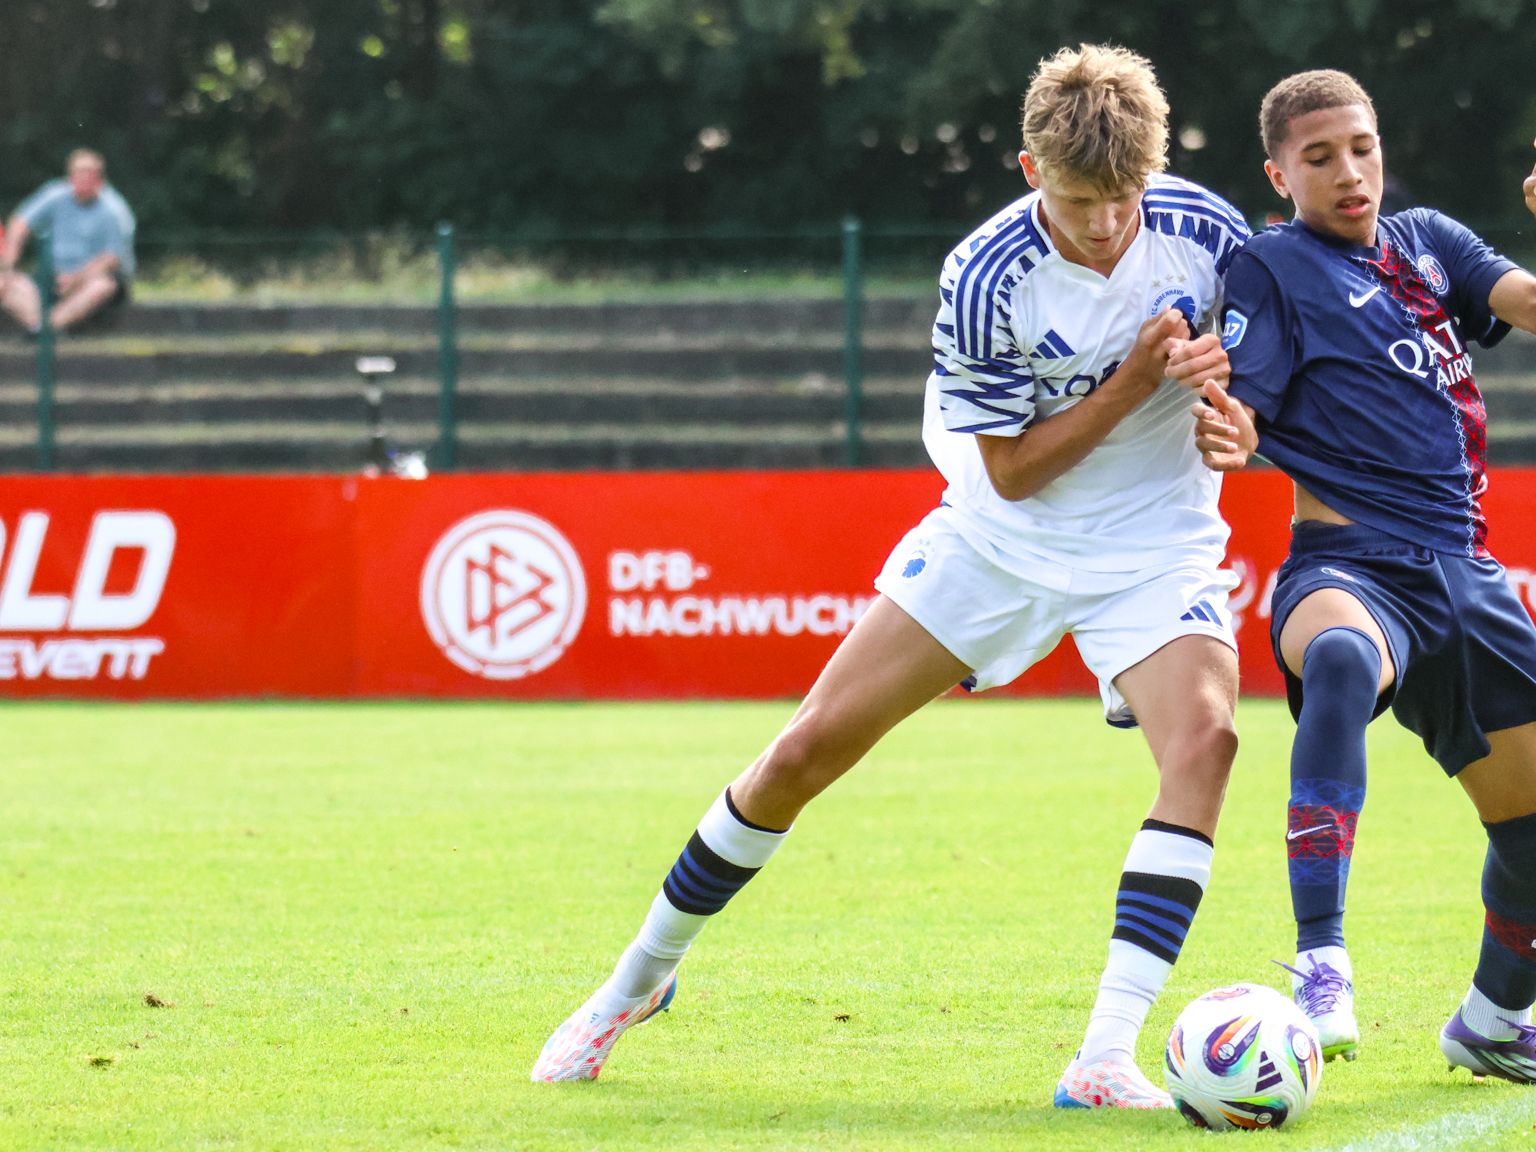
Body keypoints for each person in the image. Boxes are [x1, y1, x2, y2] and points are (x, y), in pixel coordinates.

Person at [532, 44, 1252, 1109]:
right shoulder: (984, 276)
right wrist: (1136, 377)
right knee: (800, 752)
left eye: (1124, 198)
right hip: (1003, 537)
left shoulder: (1210, 232)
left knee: (1209, 742)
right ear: (1028, 171)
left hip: (1154, 546)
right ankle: (635, 984)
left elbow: (1258, 371)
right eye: (1080, 199)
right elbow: (1011, 474)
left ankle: (1103, 1059)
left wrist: (1235, 413)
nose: (1107, 222)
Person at [1188, 69, 1536, 1086]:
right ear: (1279, 172)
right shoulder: (1272, 268)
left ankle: (1495, 1025)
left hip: (1464, 572)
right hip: (1346, 562)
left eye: (1362, 148)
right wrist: (1232, 427)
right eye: (1320, 157)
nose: (1350, 173)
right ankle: (1323, 962)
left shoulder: (1430, 242)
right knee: (1338, 657)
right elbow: (1245, 410)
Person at [1, 149, 137, 334]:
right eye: (79, 176)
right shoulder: (55, 195)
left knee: (101, 286)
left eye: (89, 177)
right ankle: (42, 327)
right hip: (52, 277)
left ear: (99, 180)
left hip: (92, 278)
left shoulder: (114, 209)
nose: (83, 183)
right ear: (70, 177)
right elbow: (20, 223)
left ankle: (46, 329)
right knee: (5, 282)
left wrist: (76, 279)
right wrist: (10, 261)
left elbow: (111, 258)